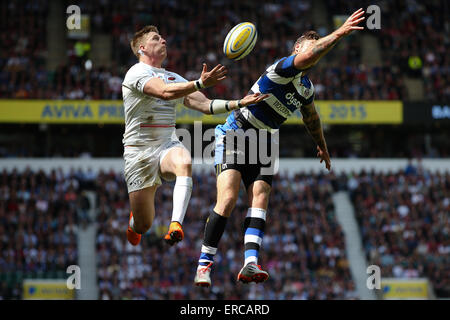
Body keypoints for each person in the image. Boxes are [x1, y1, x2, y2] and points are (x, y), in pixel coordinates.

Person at [194, 8, 366, 287]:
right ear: (298, 48)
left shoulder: (306, 88)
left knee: (260, 196)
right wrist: (340, 32)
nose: (315, 51)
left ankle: (250, 262)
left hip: (265, 141)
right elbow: (310, 55)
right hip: (238, 131)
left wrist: (321, 146)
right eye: (312, 45)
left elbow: (311, 118)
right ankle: (204, 264)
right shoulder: (281, 68)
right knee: (227, 198)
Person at [123, 26, 268, 247]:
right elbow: (163, 92)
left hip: (165, 145)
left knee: (184, 161)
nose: (163, 40)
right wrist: (199, 83)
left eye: (162, 36)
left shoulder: (173, 77)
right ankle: (135, 223)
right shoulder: (136, 72)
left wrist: (239, 103)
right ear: (142, 48)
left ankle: (175, 224)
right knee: (144, 224)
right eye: (156, 38)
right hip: (138, 153)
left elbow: (205, 105)